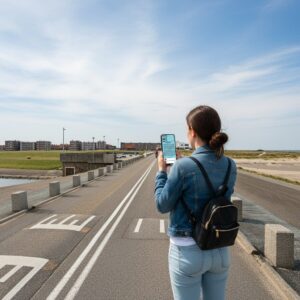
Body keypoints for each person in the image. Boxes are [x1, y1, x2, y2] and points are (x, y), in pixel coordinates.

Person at [154, 105, 237, 300]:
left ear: (192, 131)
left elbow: (162, 205)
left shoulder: (183, 166)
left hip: (187, 251)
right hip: (219, 250)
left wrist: (161, 172)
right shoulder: (230, 165)